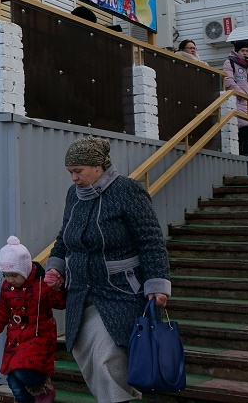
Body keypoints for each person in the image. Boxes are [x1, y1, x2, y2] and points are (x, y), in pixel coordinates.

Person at [43, 136, 171, 403]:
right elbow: (64, 236)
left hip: (121, 293)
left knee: (107, 359)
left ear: (98, 166)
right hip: (81, 295)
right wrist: (56, 267)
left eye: (78, 171)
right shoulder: (73, 195)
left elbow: (150, 241)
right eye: (70, 172)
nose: (73, 178)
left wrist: (157, 284)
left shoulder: (127, 190)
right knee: (90, 357)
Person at [0, 236, 66, 403]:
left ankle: (43, 390)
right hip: (15, 338)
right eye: (6, 275)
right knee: (13, 380)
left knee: (23, 369)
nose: (10, 279)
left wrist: (57, 288)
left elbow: (60, 303)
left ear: (25, 270)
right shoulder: (7, 287)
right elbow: (1, 311)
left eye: (14, 275)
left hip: (39, 337)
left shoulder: (42, 284)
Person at [222, 40, 248, 175]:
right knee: (246, 133)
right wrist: (242, 94)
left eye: (247, 51)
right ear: (236, 51)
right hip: (239, 102)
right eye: (242, 50)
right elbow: (228, 81)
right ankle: (246, 168)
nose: (245, 53)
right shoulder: (230, 63)